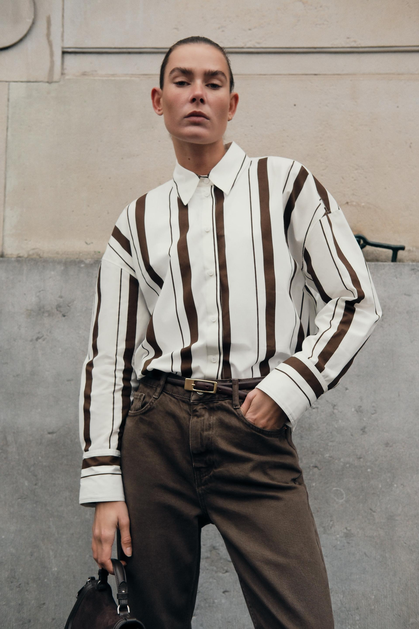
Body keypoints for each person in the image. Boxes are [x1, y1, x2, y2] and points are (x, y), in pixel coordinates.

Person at [79, 36, 381, 629]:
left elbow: (355, 300)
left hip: (253, 428)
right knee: (154, 621)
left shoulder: (286, 185)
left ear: (232, 103)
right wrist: (105, 484)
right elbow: (108, 357)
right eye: (182, 81)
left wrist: (287, 388)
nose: (198, 94)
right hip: (156, 434)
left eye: (213, 83)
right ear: (159, 100)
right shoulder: (136, 220)